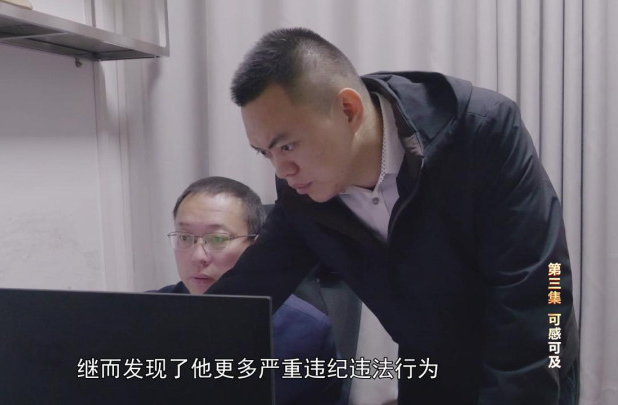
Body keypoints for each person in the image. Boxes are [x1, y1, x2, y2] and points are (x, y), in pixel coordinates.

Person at [206, 27, 579, 404]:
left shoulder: (480, 130)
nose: (282, 169)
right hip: (430, 377)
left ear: (348, 110)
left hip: (532, 370)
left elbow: (540, 286)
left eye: (287, 146)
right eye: (265, 153)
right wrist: (181, 345)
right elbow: (248, 291)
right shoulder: (303, 193)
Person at [156, 176, 346, 405]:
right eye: (185, 237)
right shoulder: (143, 316)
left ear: (256, 247)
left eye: (218, 239)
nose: (197, 256)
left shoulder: (308, 330)